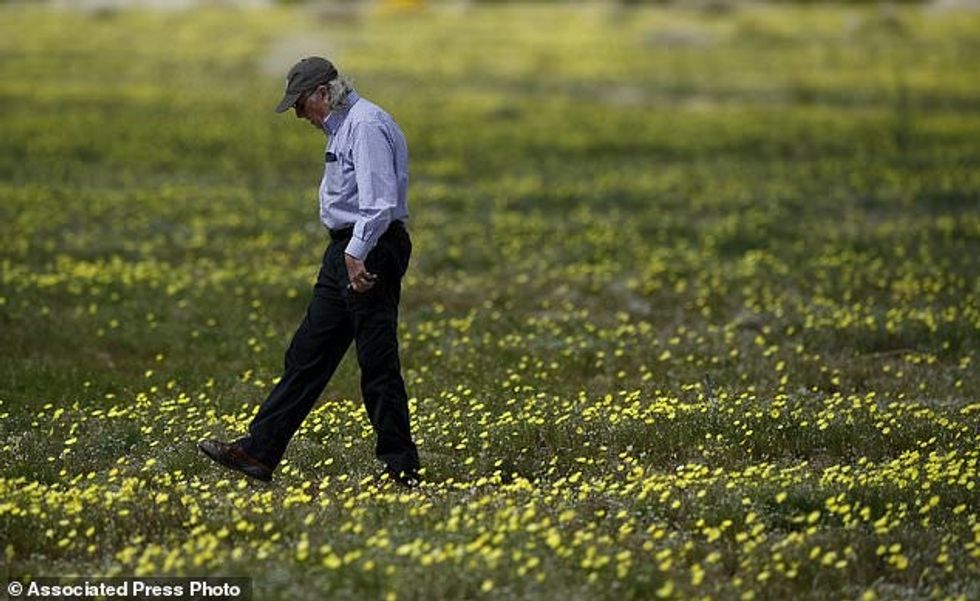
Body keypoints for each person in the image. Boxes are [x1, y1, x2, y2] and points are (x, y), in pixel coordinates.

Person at [199, 57, 421, 488]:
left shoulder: (366, 125)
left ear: (323, 93)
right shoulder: (342, 127)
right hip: (346, 250)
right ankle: (259, 452)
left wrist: (356, 254)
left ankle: (401, 469)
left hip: (369, 248)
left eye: (301, 105)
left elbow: (379, 203)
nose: (299, 116)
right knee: (308, 353)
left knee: (376, 360)